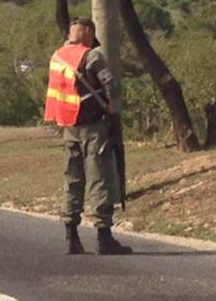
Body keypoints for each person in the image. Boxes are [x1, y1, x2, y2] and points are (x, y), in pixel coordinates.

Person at [45, 17, 132, 256]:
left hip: (68, 127)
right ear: (88, 34)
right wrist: (113, 107)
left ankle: (71, 237)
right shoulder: (92, 57)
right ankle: (104, 237)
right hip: (94, 128)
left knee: (72, 179)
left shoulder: (57, 57)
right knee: (99, 178)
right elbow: (110, 86)